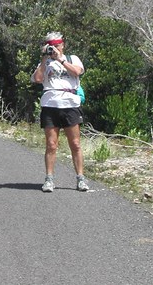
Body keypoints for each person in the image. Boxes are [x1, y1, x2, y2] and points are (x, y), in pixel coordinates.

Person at [31, 32, 89, 192]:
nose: (54, 49)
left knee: (75, 144)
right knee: (51, 144)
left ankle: (80, 179)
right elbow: (37, 79)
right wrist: (44, 59)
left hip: (70, 105)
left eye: (57, 45)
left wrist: (61, 59)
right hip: (50, 105)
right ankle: (49, 179)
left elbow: (77, 72)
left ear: (62, 45)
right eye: (51, 46)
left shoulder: (72, 58)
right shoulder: (45, 62)